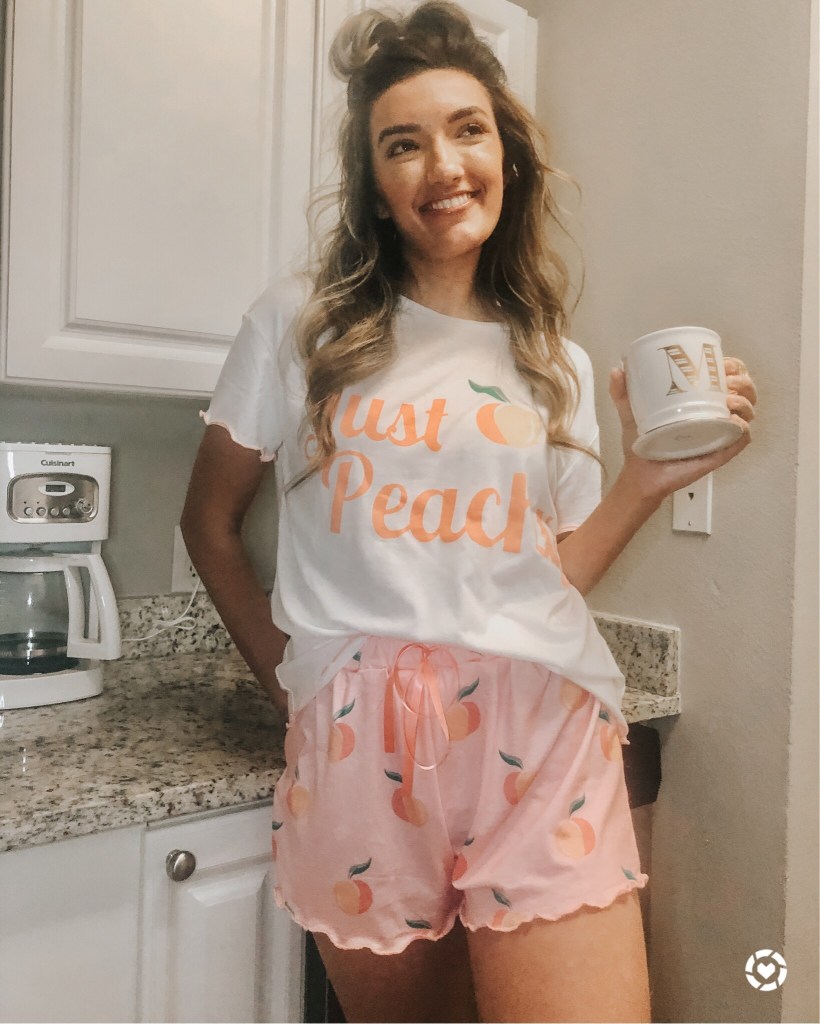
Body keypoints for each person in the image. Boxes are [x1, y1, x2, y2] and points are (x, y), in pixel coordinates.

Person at [181, 3, 757, 1021]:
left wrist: (646, 478)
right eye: (402, 144)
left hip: (543, 730)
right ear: (375, 184)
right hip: (358, 748)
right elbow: (208, 522)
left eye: (467, 130)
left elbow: (552, 576)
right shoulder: (299, 324)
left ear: (507, 156)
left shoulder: (554, 361)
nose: (442, 164)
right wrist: (293, 682)